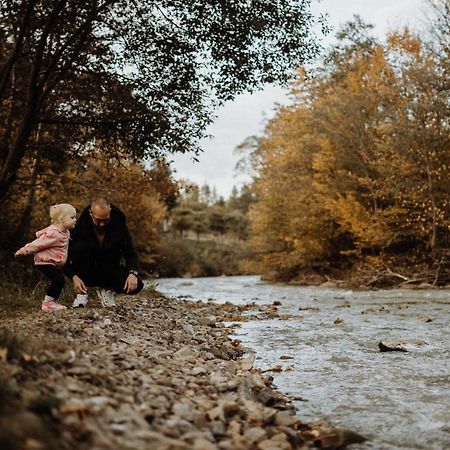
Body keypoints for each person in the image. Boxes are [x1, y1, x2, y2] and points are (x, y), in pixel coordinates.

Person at [64, 198, 143, 307]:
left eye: (105, 220)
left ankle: (106, 289)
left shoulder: (118, 223)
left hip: (109, 270)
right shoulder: (80, 226)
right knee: (79, 247)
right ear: (91, 213)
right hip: (87, 271)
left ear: (110, 211)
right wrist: (73, 276)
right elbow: (64, 255)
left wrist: (133, 273)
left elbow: (130, 251)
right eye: (98, 220)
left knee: (137, 284)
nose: (101, 224)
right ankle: (82, 292)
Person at [15, 203, 77, 312]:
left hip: (51, 262)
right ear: (62, 219)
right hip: (44, 262)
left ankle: (51, 301)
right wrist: (24, 250)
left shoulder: (65, 232)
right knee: (59, 280)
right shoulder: (53, 233)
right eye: (72, 217)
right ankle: (48, 303)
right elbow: (39, 243)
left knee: (58, 280)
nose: (75, 220)